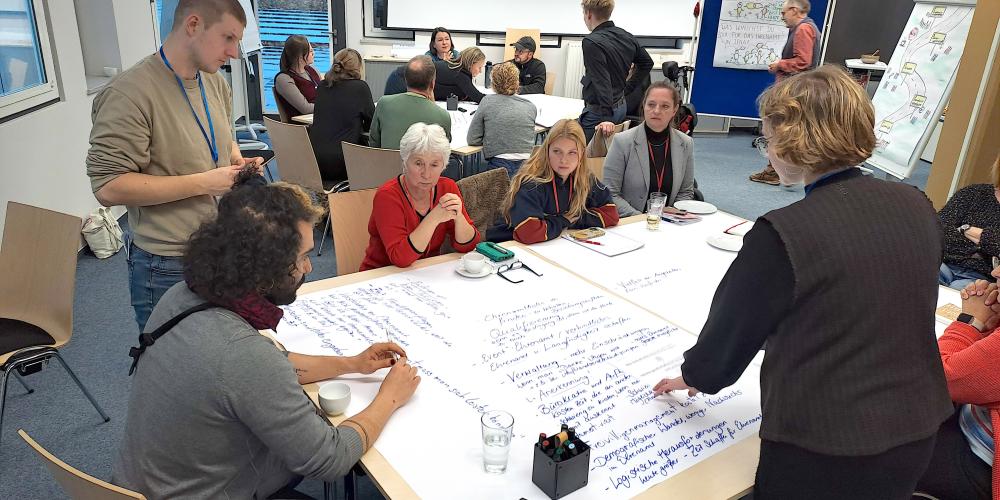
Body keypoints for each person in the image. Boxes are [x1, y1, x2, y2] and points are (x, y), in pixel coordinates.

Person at [651, 66, 952, 499]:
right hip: (919, 428)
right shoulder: (917, 203)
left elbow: (729, 339)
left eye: (769, 139)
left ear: (796, 140)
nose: (767, 152)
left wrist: (694, 374)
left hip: (824, 448)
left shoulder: (783, 232)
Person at [112, 167, 420, 498]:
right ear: (264, 268)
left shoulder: (182, 296)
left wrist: (352, 364)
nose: (309, 267)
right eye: (301, 258)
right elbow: (330, 459)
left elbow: (268, 365)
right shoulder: (242, 355)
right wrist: (389, 397)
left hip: (142, 484)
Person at [86, 0, 263, 332]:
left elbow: (224, 141)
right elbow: (108, 187)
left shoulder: (215, 83)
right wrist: (204, 183)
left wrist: (238, 163)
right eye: (228, 38)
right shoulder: (130, 93)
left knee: (223, 361)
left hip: (223, 249)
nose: (236, 53)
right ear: (193, 25)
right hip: (167, 262)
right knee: (170, 370)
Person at [915, 275, 1000, 500]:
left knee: (892, 450)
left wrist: (969, 320)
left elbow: (938, 377)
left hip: (979, 459)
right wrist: (989, 323)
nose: (995, 272)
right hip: (970, 420)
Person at [361, 123, 480, 271]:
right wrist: (434, 217)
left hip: (425, 273)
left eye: (434, 165)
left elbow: (469, 246)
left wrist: (459, 218)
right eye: (418, 163)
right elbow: (400, 257)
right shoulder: (388, 196)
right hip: (381, 275)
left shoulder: (447, 187)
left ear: (444, 165)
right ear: (405, 162)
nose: (426, 174)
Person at [487, 119, 619, 244]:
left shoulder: (584, 179)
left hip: (553, 244)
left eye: (572, 153)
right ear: (547, 151)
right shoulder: (532, 183)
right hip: (508, 247)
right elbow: (528, 232)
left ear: (581, 155)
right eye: (557, 151)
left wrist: (571, 220)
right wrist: (564, 220)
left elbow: (611, 215)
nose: (564, 160)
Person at [749, 0, 821, 186]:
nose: (782, 18)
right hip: (798, 89)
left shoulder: (803, 29)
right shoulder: (808, 27)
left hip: (793, 91)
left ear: (794, 10)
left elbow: (803, 61)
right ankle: (784, 172)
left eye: (783, 13)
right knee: (788, 130)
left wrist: (780, 64)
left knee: (779, 129)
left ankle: (776, 172)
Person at [602, 81, 695, 217]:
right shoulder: (622, 141)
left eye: (665, 106)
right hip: (631, 222)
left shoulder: (686, 143)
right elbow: (610, 193)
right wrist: (641, 218)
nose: (656, 111)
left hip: (669, 224)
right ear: (644, 106)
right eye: (651, 104)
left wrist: (674, 216)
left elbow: (685, 192)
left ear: (674, 110)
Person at [578, 0, 653, 143]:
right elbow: (647, 63)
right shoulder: (626, 36)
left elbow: (602, 81)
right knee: (607, 153)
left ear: (588, 14)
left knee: (581, 154)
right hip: (620, 107)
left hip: (599, 113)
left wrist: (606, 117)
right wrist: (627, 89)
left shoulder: (591, 42)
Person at [310, 48, 375, 183]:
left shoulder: (323, 86)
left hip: (314, 159)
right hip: (344, 162)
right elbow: (371, 124)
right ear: (358, 68)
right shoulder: (360, 88)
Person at [937, 155, 1000, 290]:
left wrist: (965, 230)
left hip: (982, 278)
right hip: (944, 263)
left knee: (960, 294)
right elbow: (937, 230)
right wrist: (984, 247)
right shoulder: (973, 193)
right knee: (912, 279)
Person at [467, 62, 537, 177]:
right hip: (528, 166)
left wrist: (492, 138)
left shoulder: (487, 102)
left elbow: (472, 139)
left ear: (493, 83)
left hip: (500, 164)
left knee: (498, 194)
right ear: (517, 82)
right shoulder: (530, 106)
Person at [370, 55, 451, 150]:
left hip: (387, 163)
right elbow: (443, 149)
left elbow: (374, 143)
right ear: (432, 84)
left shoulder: (384, 103)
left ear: (405, 80)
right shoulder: (442, 115)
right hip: (422, 163)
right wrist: (433, 105)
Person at [274, 35, 322, 116]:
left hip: (320, 117)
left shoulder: (312, 69)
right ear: (300, 57)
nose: (314, 53)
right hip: (302, 125)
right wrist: (329, 106)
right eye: (310, 51)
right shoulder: (284, 79)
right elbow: (305, 109)